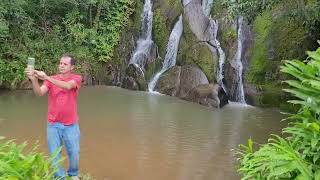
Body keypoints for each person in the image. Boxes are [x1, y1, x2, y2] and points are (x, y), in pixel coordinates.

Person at [25, 54, 82, 180]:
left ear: (72, 67)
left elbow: (67, 86)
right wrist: (34, 79)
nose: (61, 66)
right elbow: (39, 93)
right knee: (54, 154)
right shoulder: (51, 80)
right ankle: (59, 177)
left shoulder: (77, 78)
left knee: (74, 153)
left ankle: (73, 174)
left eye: (65, 64)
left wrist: (46, 77)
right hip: (53, 124)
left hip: (71, 124)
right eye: (60, 63)